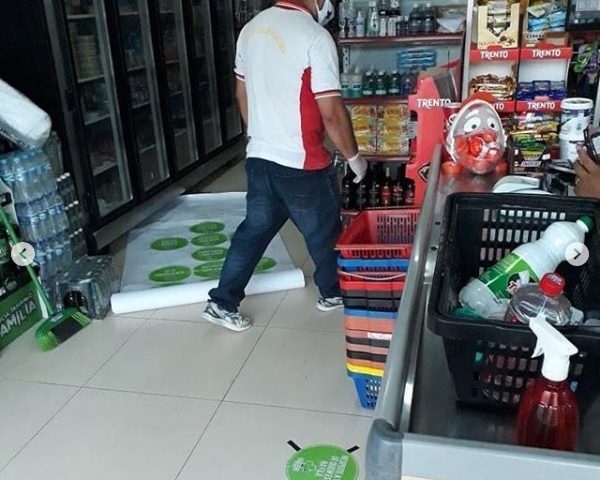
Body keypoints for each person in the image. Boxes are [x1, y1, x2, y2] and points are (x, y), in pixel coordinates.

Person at [202, 0, 367, 331]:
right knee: (325, 232)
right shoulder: (315, 36)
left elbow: (241, 94)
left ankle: (221, 302)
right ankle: (332, 293)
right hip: (301, 163)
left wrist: (262, 136)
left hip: (260, 157)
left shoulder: (251, 30)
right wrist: (353, 157)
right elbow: (331, 111)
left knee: (252, 233)